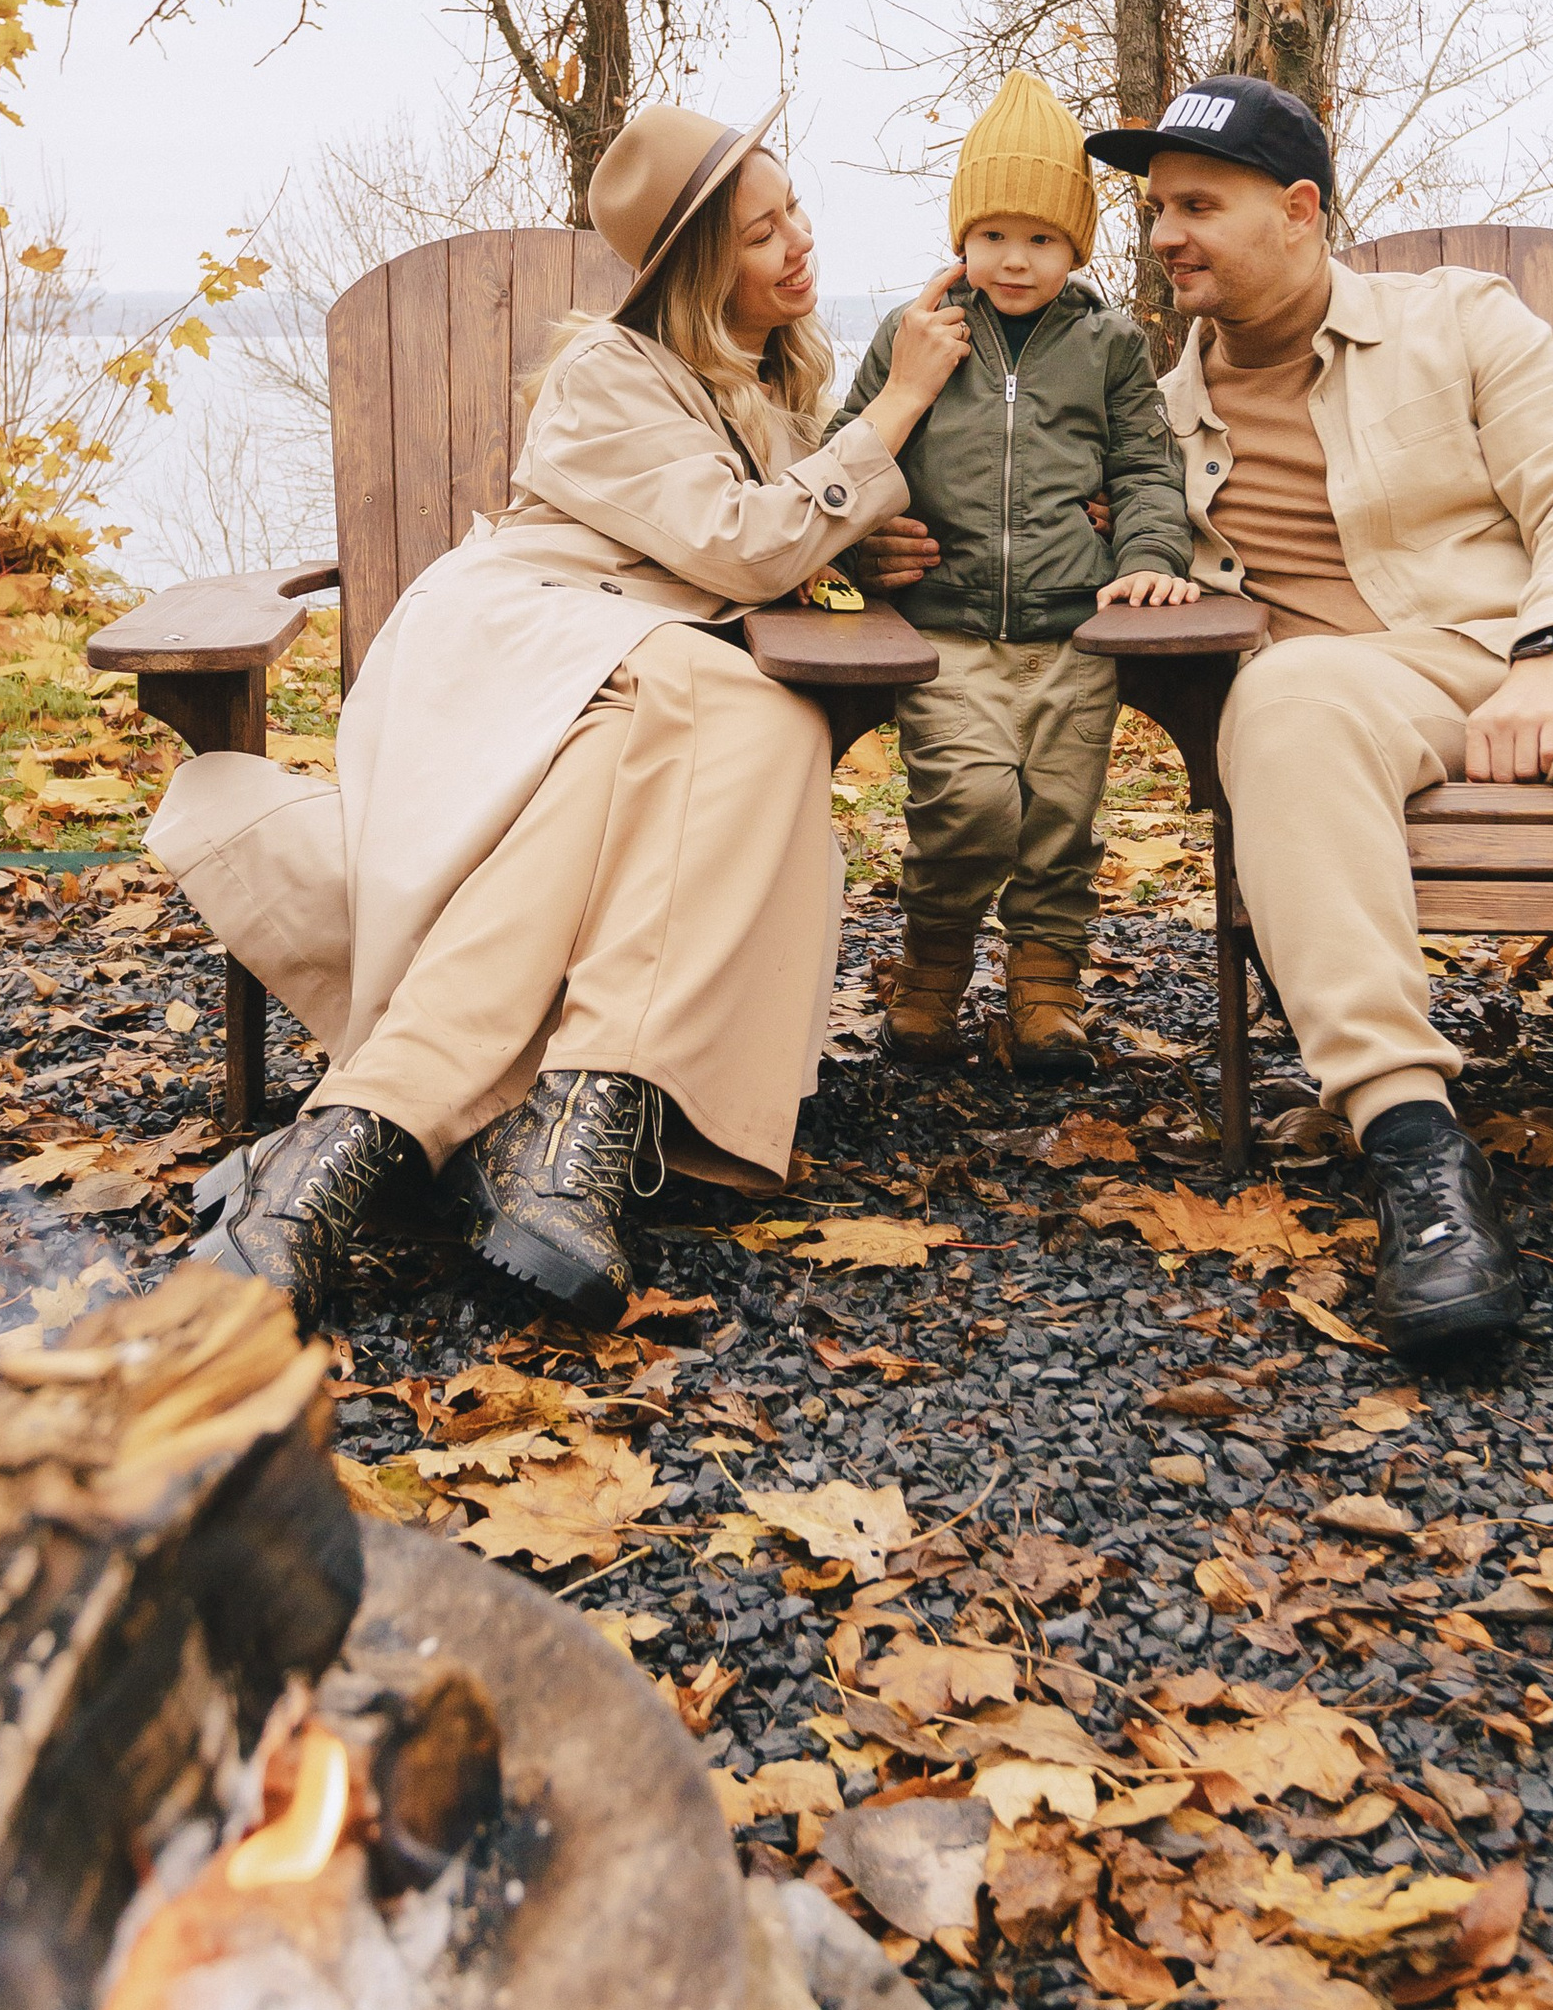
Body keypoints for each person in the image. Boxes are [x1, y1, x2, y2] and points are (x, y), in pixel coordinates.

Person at [872, 71, 1553, 1367]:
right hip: (1355, 685)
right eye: (1155, 209)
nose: (1164, 236)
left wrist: (1552, 654)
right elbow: (1017, 519)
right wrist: (888, 541)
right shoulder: (1151, 416)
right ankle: (1417, 1161)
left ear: (1297, 211)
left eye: (1197, 206)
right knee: (1277, 700)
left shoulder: (1461, 322)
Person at [149, 102, 974, 1336]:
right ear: (698, 269)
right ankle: (564, 1136)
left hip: (635, 673)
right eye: (760, 235)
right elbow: (741, 550)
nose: (798, 244)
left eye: (793, 211)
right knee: (729, 701)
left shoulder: (765, 383)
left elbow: (773, 537)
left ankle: (357, 1148)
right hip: (516, 649)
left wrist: (861, 546)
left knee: (754, 718)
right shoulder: (608, 373)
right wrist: (896, 409)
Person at [836, 72, 1197, 1072]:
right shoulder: (917, 337)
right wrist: (865, 545)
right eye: (993, 234)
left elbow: (1144, 472)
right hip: (945, 633)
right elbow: (848, 452)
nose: (1014, 258)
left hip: (1073, 636)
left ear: (1076, 246)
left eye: (1041, 238)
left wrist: (1150, 560)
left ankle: (1045, 992)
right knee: (970, 806)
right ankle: (933, 967)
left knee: (1059, 825)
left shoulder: (1109, 347)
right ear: (962, 238)